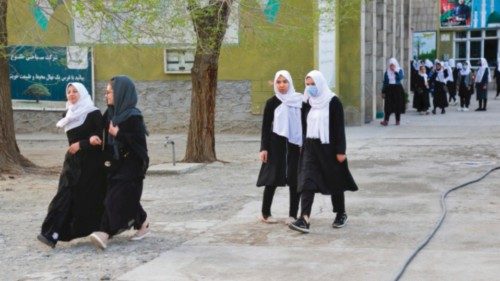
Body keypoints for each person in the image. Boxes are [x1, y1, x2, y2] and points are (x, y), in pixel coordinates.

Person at [37, 82, 106, 248]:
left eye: (75, 91)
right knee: (64, 194)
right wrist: (77, 147)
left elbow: (100, 139)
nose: (72, 94)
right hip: (73, 161)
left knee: (84, 199)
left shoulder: (93, 113)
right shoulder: (68, 113)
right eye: (69, 92)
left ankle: (96, 229)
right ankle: (51, 233)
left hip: (90, 164)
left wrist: (82, 144)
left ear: (82, 93)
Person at [289, 70, 358, 234]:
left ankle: (341, 213)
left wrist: (341, 150)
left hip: (330, 147)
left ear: (320, 83)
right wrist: (302, 145)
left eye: (313, 84)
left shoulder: (333, 101)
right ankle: (304, 218)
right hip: (311, 147)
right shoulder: (307, 102)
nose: (310, 87)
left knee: (335, 181)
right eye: (307, 84)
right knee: (307, 180)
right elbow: (304, 125)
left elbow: (339, 128)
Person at [89, 75, 150, 249]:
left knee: (114, 198)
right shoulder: (110, 113)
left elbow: (139, 146)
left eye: (109, 92)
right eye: (106, 92)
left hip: (132, 164)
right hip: (116, 163)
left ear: (121, 93)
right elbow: (100, 130)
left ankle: (105, 233)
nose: (106, 95)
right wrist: (92, 136)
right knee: (125, 197)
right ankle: (143, 222)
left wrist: (119, 134)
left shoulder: (133, 117)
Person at [256, 70, 302, 225]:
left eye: (285, 81)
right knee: (272, 179)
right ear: (275, 84)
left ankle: (292, 215)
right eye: (278, 82)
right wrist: (264, 148)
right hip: (275, 145)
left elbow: (304, 124)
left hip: (295, 145)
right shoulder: (272, 102)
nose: (282, 85)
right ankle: (265, 213)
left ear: (290, 82)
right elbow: (266, 128)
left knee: (295, 179)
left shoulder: (299, 100)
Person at [380, 58, 406, 126]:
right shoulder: (387, 72)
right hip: (389, 89)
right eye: (390, 65)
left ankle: (397, 120)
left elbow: (400, 78)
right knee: (387, 105)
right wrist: (383, 91)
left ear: (395, 64)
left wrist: (395, 71)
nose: (391, 67)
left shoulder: (399, 70)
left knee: (398, 105)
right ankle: (386, 120)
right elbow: (385, 82)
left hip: (398, 89)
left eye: (393, 65)